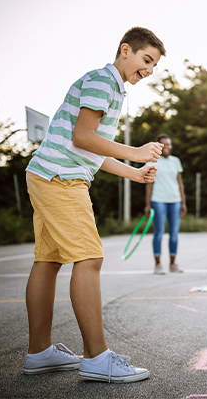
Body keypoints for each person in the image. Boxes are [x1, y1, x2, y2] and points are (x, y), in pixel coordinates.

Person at [24, 27, 166, 382]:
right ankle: (97, 357)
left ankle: (40, 352)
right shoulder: (104, 81)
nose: (148, 70)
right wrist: (134, 152)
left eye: (153, 66)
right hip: (61, 177)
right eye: (146, 60)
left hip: (47, 173)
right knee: (89, 258)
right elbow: (82, 136)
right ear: (125, 51)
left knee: (49, 260)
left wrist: (132, 173)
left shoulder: (110, 85)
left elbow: (91, 147)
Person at [144, 133, 187, 274]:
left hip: (175, 200)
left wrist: (183, 202)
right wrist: (148, 204)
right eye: (165, 145)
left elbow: (179, 183)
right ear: (158, 147)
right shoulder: (152, 161)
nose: (168, 147)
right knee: (159, 232)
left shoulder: (176, 161)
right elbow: (149, 184)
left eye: (169, 144)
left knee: (174, 233)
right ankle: (158, 264)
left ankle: (173, 264)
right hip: (158, 200)